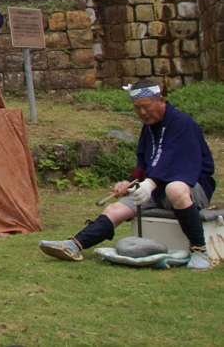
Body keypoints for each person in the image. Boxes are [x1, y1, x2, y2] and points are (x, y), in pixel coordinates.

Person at [39, 79, 217, 270]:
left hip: (192, 187)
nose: (142, 113)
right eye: (137, 108)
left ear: (161, 100)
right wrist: (130, 182)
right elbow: (145, 164)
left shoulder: (182, 123)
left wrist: (150, 183)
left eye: (146, 107)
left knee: (175, 189)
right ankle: (74, 244)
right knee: (116, 209)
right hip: (156, 187)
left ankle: (200, 251)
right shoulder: (148, 129)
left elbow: (174, 161)